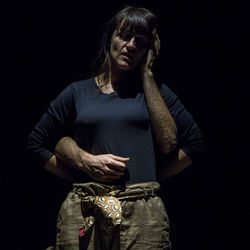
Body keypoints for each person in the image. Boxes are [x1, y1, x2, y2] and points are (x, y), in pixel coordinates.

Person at [27, 6, 205, 250]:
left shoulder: (156, 93)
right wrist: (83, 168)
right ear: (110, 36)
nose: (131, 45)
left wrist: (148, 177)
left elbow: (191, 144)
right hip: (86, 206)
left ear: (148, 51)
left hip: (141, 213)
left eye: (141, 42)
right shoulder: (78, 91)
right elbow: (36, 143)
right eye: (124, 35)